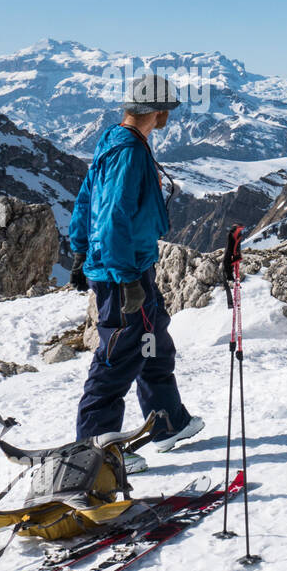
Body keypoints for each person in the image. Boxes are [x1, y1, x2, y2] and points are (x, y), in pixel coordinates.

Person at [69, 74, 203, 472]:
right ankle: (97, 449)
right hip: (122, 272)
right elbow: (111, 215)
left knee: (153, 340)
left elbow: (87, 198)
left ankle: (168, 422)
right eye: (168, 111)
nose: (169, 118)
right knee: (122, 352)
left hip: (129, 266)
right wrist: (126, 277)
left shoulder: (116, 140)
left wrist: (79, 250)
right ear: (157, 112)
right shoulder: (128, 151)